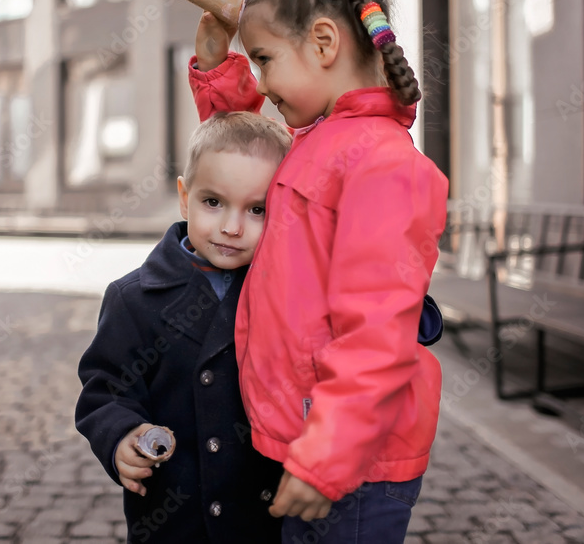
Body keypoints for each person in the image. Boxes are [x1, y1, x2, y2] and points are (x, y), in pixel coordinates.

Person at [76, 109, 443, 543]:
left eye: (256, 210)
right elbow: (106, 389)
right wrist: (120, 436)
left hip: (263, 516)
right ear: (184, 196)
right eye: (213, 202)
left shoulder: (293, 291)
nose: (231, 228)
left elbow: (377, 317)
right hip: (175, 518)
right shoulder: (134, 297)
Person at [187, 0, 449, 543]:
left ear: (325, 43)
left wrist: (325, 457)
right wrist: (218, 70)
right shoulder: (325, 143)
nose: (260, 80)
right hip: (310, 444)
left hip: (350, 464)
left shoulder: (381, 166)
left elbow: (377, 332)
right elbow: (245, 161)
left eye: (264, 60)